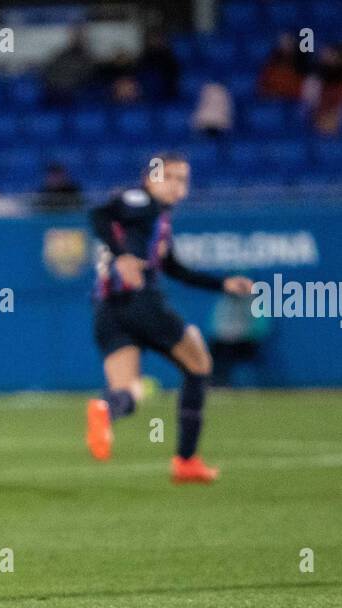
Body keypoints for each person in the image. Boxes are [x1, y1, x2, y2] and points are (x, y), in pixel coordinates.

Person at [84, 154, 254, 483]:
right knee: (199, 365)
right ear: (150, 178)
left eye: (183, 179)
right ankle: (186, 461)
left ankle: (105, 410)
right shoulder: (141, 202)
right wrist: (123, 258)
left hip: (108, 310)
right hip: (142, 304)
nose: (178, 186)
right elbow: (98, 214)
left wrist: (221, 284)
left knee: (128, 390)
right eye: (171, 177)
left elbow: (174, 268)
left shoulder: (156, 218)